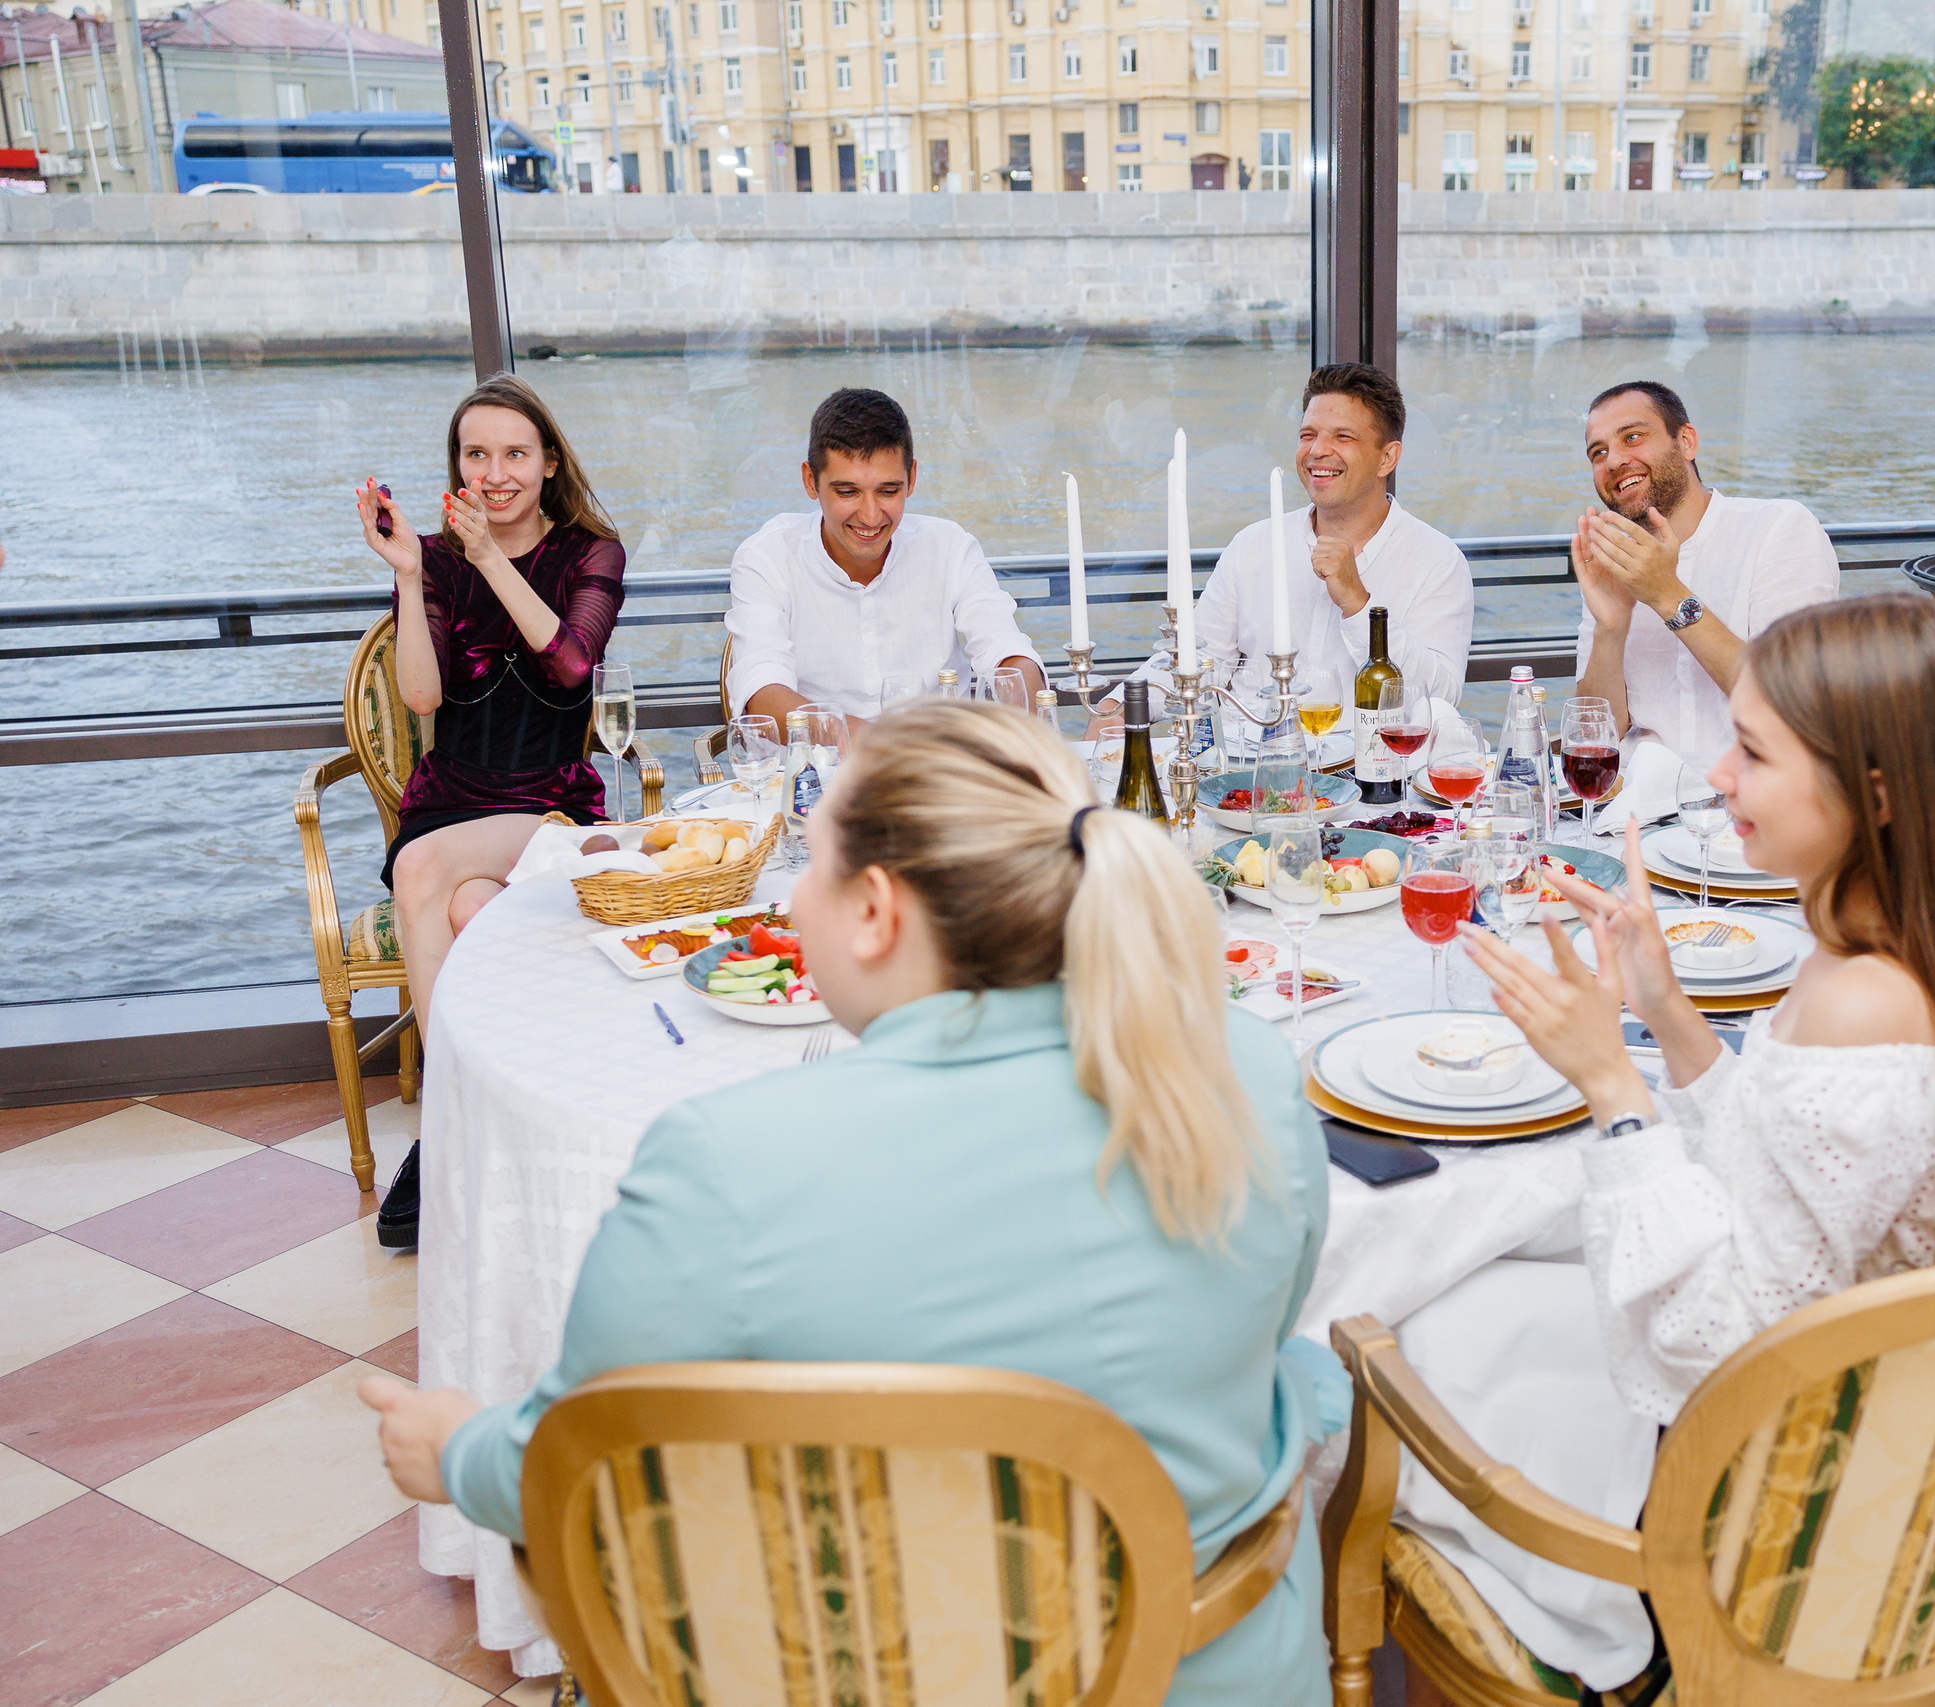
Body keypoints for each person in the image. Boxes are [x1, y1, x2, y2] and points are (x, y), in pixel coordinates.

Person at [359, 699, 1333, 1706]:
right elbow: (1266, 1329)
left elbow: (572, 1468)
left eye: (810, 866)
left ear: (874, 910)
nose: (790, 907)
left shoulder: (725, 1162)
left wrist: (453, 1450)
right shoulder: (1254, 1073)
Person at [1426, 595, 1935, 1693]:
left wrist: (1611, 1083)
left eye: (1752, 750)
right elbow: (1787, 1168)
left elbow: (1720, 1339)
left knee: (1429, 1349)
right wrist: (1666, 1010)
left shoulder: (1866, 999)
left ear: (1877, 793)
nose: (1716, 774)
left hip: (1773, 1508)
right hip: (1847, 1412)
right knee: (1482, 1301)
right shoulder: (1895, 953)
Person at [357, 375, 626, 1248]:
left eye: (516, 452)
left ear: (549, 463)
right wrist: (410, 572)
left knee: (422, 871)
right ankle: (502, 1126)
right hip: (453, 800)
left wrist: (488, 561)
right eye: (478, 453)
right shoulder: (435, 557)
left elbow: (570, 666)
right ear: (458, 467)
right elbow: (423, 696)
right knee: (467, 905)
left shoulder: (593, 552)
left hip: (547, 803)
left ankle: (452, 1127)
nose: (496, 472)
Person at [1104, 362, 1474, 742]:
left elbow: (1439, 696)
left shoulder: (1437, 561)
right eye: (1307, 434)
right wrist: (1117, 707)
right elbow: (1197, 659)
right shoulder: (1253, 544)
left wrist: (1358, 604)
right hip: (1243, 772)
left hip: (1366, 777)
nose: (1317, 451)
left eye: (1343, 437)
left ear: (1387, 458)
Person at [725, 387, 1044, 728]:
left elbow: (1007, 652)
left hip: (939, 769)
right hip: (812, 774)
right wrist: (885, 749)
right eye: (847, 492)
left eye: (888, 491)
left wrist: (1018, 715)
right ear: (810, 481)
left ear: (912, 480)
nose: (871, 515)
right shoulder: (766, 557)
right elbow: (761, 691)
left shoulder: (950, 547)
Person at [1569, 380, 1839, 766]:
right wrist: (1610, 627)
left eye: (1632, 437)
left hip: (1749, 796)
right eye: (1598, 452)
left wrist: (1666, 595)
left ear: (1686, 442)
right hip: (1633, 804)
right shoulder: (1614, 562)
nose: (1613, 461)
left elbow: (1791, 700)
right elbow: (1596, 742)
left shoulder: (1780, 528)